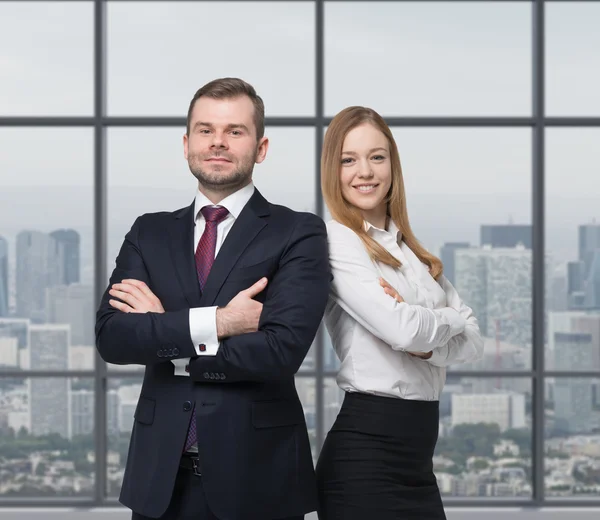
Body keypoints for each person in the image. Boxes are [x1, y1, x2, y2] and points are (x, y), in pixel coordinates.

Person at [95, 78, 331, 520]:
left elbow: (279, 352)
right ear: (186, 144)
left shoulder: (297, 232)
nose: (218, 142)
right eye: (205, 130)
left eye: (235, 131)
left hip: (258, 482)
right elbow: (113, 337)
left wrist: (167, 332)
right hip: (159, 484)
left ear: (260, 148)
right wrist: (219, 323)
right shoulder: (149, 232)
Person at [315, 106, 484, 519]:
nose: (365, 172)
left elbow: (474, 341)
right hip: (366, 458)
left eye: (377, 156)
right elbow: (405, 331)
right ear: (332, 170)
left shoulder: (409, 250)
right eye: (348, 160)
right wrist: (449, 320)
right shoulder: (337, 241)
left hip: (417, 462)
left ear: (393, 165)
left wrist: (429, 344)